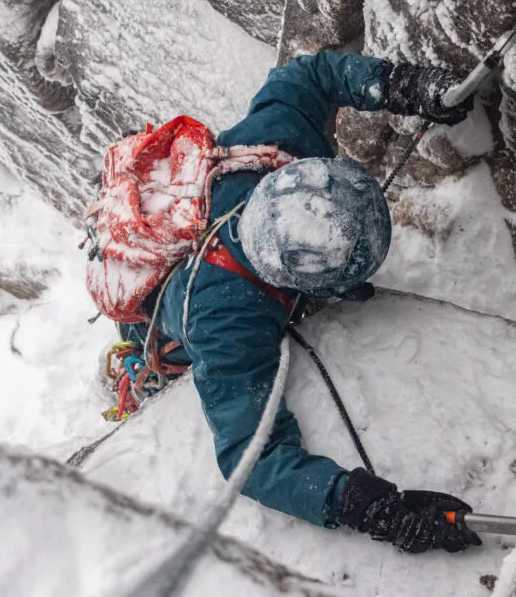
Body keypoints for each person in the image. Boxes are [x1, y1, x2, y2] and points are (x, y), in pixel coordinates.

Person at [119, 51, 482, 553]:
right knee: (168, 345)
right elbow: (252, 460)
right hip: (172, 309)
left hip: (209, 247)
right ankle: (141, 367)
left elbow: (306, 75)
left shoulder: (277, 147)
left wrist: (401, 85)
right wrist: (365, 505)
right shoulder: (229, 321)